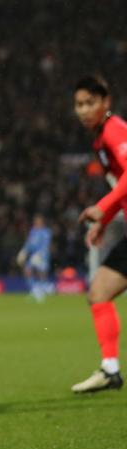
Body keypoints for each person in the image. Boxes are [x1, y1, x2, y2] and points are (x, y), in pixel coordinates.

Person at [73, 75, 127, 394]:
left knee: (99, 293)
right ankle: (110, 370)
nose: (82, 110)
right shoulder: (100, 138)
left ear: (105, 103)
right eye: (78, 104)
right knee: (99, 293)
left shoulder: (113, 130)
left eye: (89, 103)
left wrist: (101, 206)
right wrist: (103, 223)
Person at [15, 214, 53, 304]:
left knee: (41, 274)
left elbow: (46, 245)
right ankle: (36, 290)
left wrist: (40, 254)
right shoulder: (33, 231)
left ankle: (45, 289)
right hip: (33, 256)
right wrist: (23, 251)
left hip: (42, 256)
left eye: (38, 221)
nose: (36, 223)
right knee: (27, 270)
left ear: (42, 222)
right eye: (35, 221)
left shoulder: (46, 232)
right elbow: (29, 243)